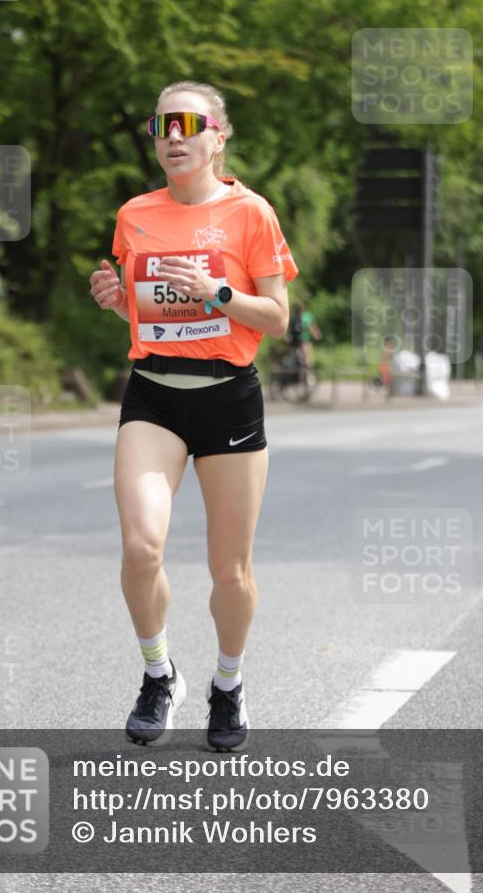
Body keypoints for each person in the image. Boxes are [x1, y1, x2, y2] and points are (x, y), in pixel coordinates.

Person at [89, 81, 298, 752]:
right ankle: (159, 674)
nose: (173, 136)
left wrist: (219, 291)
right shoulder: (135, 214)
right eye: (162, 125)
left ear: (218, 136)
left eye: (188, 123)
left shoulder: (250, 213)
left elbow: (276, 318)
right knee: (140, 547)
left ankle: (228, 685)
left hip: (227, 397)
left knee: (229, 571)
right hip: (152, 396)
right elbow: (148, 311)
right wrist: (115, 300)